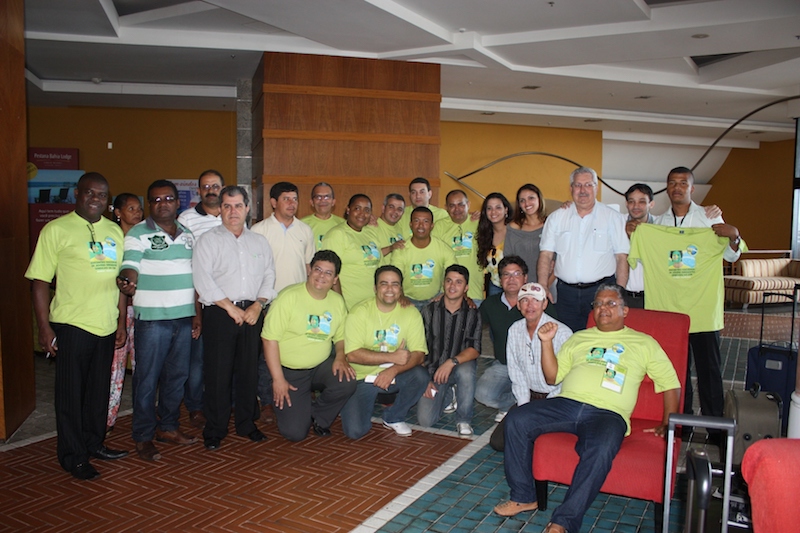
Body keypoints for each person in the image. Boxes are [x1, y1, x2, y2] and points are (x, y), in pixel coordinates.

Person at [494, 284, 680, 533]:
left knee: (600, 448)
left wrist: (668, 423)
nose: (603, 308)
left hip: (608, 413)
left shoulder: (644, 343)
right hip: (566, 404)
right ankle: (523, 496)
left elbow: (670, 383)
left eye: (611, 303)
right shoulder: (579, 338)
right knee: (517, 419)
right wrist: (546, 343)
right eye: (598, 304)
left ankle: (563, 521)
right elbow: (552, 377)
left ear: (625, 310)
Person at [25, 172, 129, 480]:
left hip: (105, 325)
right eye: (89, 193)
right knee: (71, 395)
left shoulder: (114, 231)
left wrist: (120, 321)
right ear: (76, 194)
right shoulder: (56, 230)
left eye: (102, 195)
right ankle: (73, 456)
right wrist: (44, 327)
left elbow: (120, 282)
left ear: (108, 201)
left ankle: (93, 444)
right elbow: (39, 281)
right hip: (71, 325)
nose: (95, 199)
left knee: (97, 392)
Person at [645, 166, 743, 421]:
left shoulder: (709, 218)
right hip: (671, 311)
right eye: (672, 183)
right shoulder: (659, 224)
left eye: (683, 183)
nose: (677, 188)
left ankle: (715, 428)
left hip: (703, 311)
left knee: (709, 371)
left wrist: (734, 235)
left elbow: (732, 255)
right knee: (677, 371)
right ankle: (681, 425)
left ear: (692, 188)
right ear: (667, 188)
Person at [118, 179, 199, 461]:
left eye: (168, 199)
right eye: (156, 200)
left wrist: (196, 315)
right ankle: (143, 436)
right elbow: (130, 265)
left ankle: (168, 426)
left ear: (178, 203)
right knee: (147, 380)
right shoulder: (138, 233)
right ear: (149, 204)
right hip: (152, 321)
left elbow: (195, 276)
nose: (162, 204)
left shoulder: (188, 234)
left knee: (177, 377)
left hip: (183, 318)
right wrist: (127, 280)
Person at [192, 186, 277, 450]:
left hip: (252, 313)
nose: (233, 211)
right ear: (220, 209)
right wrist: (230, 308)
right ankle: (215, 429)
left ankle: (246, 424)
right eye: (227, 206)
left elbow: (269, 275)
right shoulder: (208, 241)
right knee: (218, 374)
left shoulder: (259, 242)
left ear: (247, 208)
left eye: (238, 205)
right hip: (220, 313)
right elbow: (203, 280)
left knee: (248, 372)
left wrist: (259, 305)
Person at [262, 250, 356, 441]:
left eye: (328, 273)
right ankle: (288, 400)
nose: (321, 276)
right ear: (309, 271)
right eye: (318, 270)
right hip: (289, 372)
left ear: (335, 279)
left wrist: (340, 356)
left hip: (319, 366)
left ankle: (318, 416)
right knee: (295, 433)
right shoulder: (288, 297)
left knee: (346, 380)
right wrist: (278, 379)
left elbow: (341, 336)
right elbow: (269, 339)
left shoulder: (337, 301)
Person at [340, 266, 429, 439]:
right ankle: (351, 403)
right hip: (362, 378)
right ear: (375, 288)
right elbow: (352, 354)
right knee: (355, 432)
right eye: (384, 284)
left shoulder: (411, 313)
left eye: (395, 284)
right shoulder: (359, 312)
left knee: (420, 375)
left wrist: (393, 369)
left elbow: (419, 354)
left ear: (401, 289)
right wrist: (391, 357)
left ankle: (394, 416)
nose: (389, 289)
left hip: (394, 375)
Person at [537, 167, 629, 333]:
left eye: (588, 185)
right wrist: (543, 285)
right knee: (568, 338)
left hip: (602, 292)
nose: (583, 190)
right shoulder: (557, 218)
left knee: (602, 338)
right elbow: (545, 255)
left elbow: (621, 257)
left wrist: (619, 293)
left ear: (596, 188)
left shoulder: (612, 217)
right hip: (566, 295)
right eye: (578, 185)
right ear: (571, 188)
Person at [177, 169, 225, 430]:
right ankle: (195, 406)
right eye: (205, 187)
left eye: (215, 186)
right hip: (198, 299)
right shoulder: (187, 218)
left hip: (228, 300)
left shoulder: (232, 214)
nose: (210, 190)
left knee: (223, 356)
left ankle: (223, 401)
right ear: (198, 191)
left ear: (222, 188)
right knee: (197, 359)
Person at [417, 265, 482, 437]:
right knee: (425, 420)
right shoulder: (428, 311)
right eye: (449, 281)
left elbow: (475, 349)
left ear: (466, 288)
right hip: (433, 372)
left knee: (466, 371)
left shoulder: (472, 313)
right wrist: (424, 379)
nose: (452, 286)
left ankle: (464, 419)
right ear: (443, 283)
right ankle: (449, 394)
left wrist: (451, 362)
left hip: (459, 366)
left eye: (459, 282)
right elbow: (418, 348)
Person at [474, 256, 526, 423]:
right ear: (500, 279)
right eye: (506, 274)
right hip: (503, 364)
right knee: (482, 394)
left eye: (516, 274)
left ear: (525, 278)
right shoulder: (491, 304)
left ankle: (522, 400)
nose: (511, 279)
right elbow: (473, 327)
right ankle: (511, 404)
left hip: (531, 367)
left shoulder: (536, 302)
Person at [107, 193, 143, 432]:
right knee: (115, 369)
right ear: (118, 212)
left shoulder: (144, 237)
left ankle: (143, 418)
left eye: (139, 208)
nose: (137, 213)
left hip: (142, 311)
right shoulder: (111, 240)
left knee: (144, 367)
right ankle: (107, 419)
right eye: (131, 208)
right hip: (117, 312)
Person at [251, 181, 315, 294]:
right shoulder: (258, 230)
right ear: (274, 203)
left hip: (298, 294)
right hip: (268, 296)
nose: (292, 203)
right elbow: (252, 267)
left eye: (295, 199)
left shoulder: (305, 230)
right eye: (286, 199)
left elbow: (308, 265)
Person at [321, 194, 382, 309]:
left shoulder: (371, 233)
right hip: (349, 305)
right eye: (357, 208)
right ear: (348, 210)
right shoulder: (337, 235)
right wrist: (340, 305)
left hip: (373, 304)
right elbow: (329, 273)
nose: (362, 214)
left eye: (367, 210)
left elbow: (380, 268)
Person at [389, 206, 457, 309]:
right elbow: (394, 277)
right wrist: (401, 296)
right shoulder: (400, 249)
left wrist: (445, 294)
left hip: (435, 299)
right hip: (407, 300)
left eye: (426, 221)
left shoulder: (443, 248)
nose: (421, 225)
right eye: (416, 221)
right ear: (411, 224)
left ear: (432, 226)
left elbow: (454, 275)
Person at [432, 190, 484, 305]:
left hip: (474, 293)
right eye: (452, 205)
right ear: (446, 207)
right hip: (447, 293)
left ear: (468, 204)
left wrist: (484, 216)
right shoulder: (439, 227)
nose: (457, 209)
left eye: (461, 204)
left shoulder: (479, 223)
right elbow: (434, 258)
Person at [505, 184, 547, 284]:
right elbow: (508, 260)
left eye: (531, 198)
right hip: (520, 286)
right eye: (522, 200)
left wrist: (544, 286)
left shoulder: (550, 225)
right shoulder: (513, 228)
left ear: (539, 199)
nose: (527, 203)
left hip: (548, 285)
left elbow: (559, 261)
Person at [622, 184, 655, 309]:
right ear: (626, 204)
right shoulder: (617, 223)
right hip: (623, 296)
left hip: (652, 296)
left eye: (642, 202)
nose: (636, 206)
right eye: (631, 201)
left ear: (651, 204)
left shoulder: (661, 225)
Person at [476, 193, 513, 297]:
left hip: (514, 285)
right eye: (489, 208)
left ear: (506, 210)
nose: (493, 212)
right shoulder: (485, 233)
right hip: (495, 285)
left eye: (498, 207)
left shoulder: (514, 231)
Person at [301, 182, 345, 250]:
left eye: (327, 197)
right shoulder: (301, 225)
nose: (322, 200)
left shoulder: (343, 224)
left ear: (333, 202)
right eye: (318, 197)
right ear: (312, 202)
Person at [374, 193, 406, 258]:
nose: (395, 211)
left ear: (402, 213)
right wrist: (390, 248)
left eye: (399, 209)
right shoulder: (373, 226)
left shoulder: (401, 227)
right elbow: (369, 256)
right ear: (383, 208)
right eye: (391, 207)